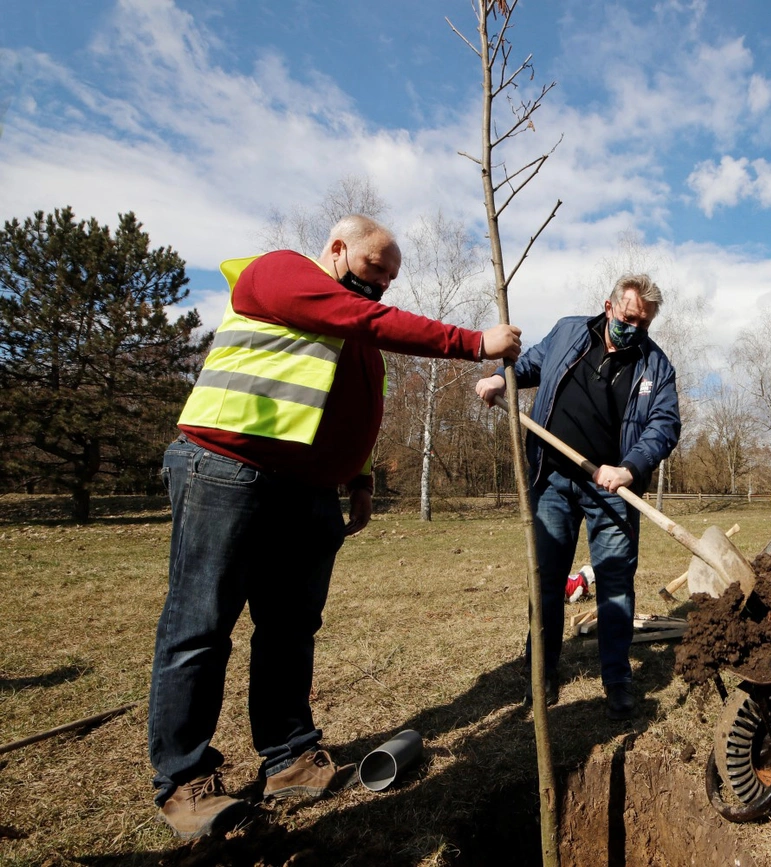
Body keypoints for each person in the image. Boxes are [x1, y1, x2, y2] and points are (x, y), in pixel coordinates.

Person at [148, 215, 522, 839]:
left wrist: (363, 478)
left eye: (392, 277)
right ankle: (185, 780)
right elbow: (364, 319)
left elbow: (353, 407)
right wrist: (472, 343)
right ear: (338, 248)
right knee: (199, 628)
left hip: (308, 491)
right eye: (377, 268)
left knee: (291, 629)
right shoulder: (280, 273)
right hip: (227, 468)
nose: (383, 285)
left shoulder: (351, 326)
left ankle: (289, 758)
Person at [475, 274, 680, 720]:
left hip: (613, 488)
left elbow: (665, 425)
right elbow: (529, 366)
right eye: (628, 319)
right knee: (546, 580)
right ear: (609, 307)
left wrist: (629, 467)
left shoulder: (655, 366)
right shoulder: (569, 330)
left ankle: (617, 680)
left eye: (643, 324)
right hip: (552, 480)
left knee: (614, 584)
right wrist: (497, 379)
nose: (634, 329)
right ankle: (542, 676)